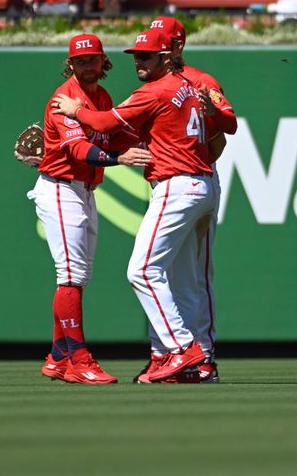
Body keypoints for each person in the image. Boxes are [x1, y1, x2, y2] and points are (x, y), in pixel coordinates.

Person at [52, 28, 218, 384]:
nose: (139, 61)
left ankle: (182, 350)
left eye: (146, 55)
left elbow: (107, 123)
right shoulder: (190, 86)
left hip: (177, 186)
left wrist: (78, 112)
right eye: (136, 55)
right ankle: (183, 360)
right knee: (184, 280)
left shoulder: (154, 90)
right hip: (202, 183)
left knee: (142, 272)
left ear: (167, 57)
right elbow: (221, 130)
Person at [32, 33, 151, 385]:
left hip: (84, 190)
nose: (87, 65)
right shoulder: (63, 99)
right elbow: (80, 151)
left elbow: (111, 135)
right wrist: (120, 158)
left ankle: (57, 357)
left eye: (93, 59)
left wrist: (140, 137)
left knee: (78, 277)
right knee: (69, 275)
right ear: (70, 64)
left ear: (103, 62)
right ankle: (78, 358)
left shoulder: (101, 97)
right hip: (59, 188)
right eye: (80, 60)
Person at [141, 16, 238, 384]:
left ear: (175, 48)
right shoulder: (156, 85)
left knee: (194, 276)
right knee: (166, 273)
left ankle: (203, 357)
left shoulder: (200, 81)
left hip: (193, 180)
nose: (148, 53)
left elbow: (224, 134)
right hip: (171, 183)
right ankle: (169, 356)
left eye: (158, 45)